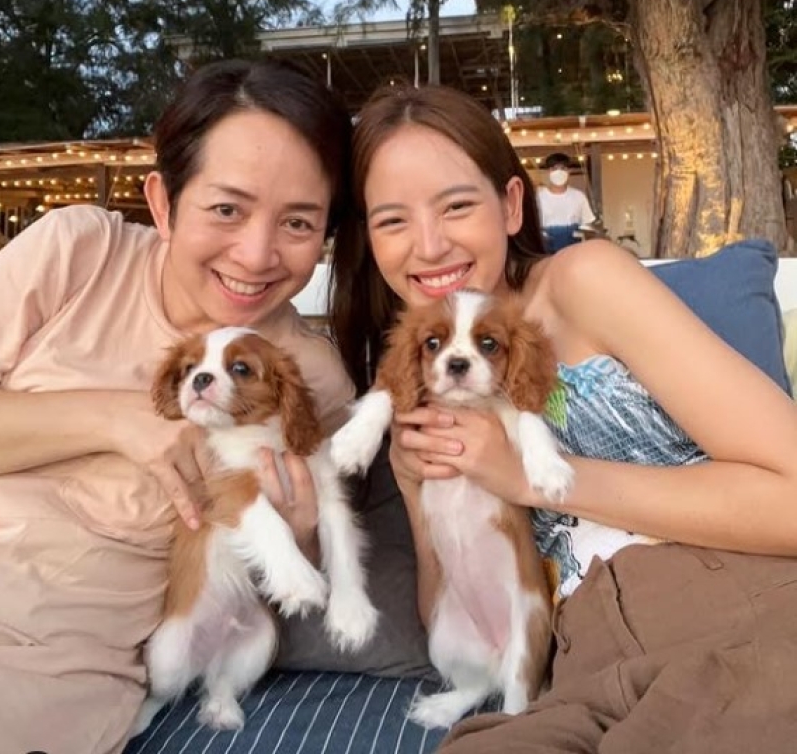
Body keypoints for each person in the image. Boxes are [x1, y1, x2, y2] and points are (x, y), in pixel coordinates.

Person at [329, 82, 797, 752]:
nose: (428, 246)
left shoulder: (582, 281)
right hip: (581, 662)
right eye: (392, 220)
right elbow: (454, 615)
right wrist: (416, 489)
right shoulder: (424, 370)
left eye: (456, 206)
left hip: (728, 604)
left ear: (510, 204)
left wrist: (528, 477)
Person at [0, 58, 355, 754]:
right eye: (226, 209)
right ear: (163, 203)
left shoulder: (305, 374)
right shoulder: (80, 253)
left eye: (298, 222)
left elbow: (291, 567)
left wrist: (302, 533)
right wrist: (113, 418)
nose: (256, 255)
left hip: (45, 656)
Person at [535, 151, 595, 253]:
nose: (559, 172)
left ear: (569, 171)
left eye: (563, 168)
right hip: (546, 251)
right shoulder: (538, 198)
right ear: (548, 171)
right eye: (554, 168)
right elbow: (532, 228)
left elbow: (588, 226)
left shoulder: (579, 197)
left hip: (574, 251)